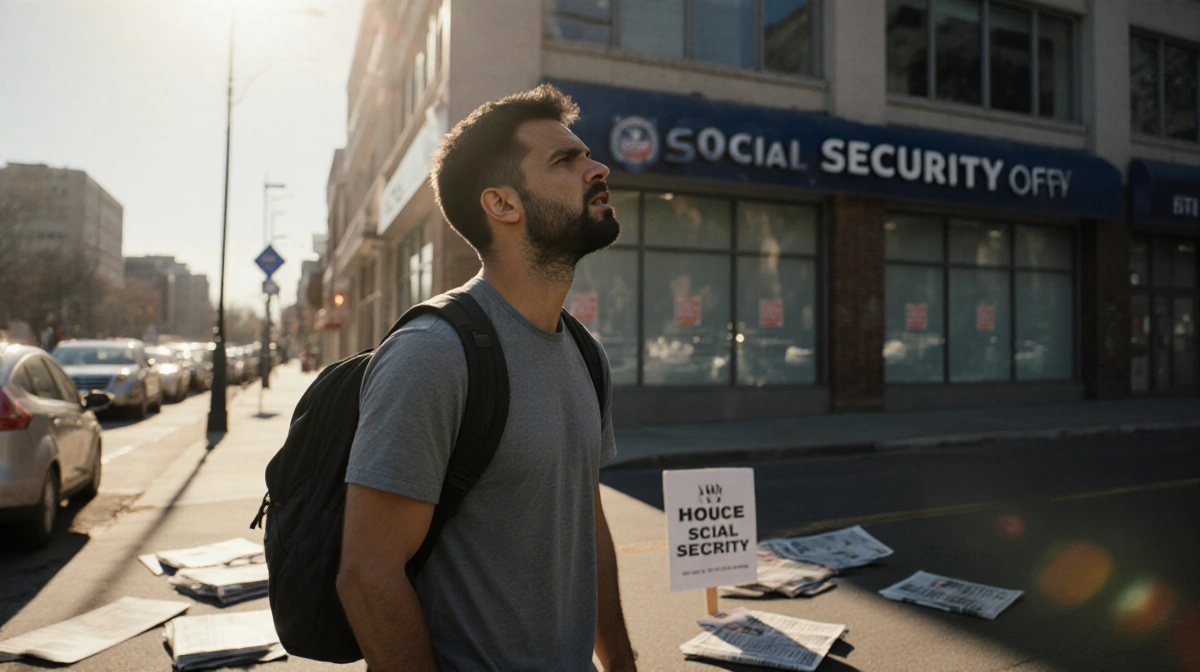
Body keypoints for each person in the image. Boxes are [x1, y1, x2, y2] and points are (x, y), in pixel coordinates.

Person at [336, 85, 637, 671]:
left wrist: (622, 663)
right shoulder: (432, 355)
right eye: (564, 160)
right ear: (503, 204)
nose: (597, 167)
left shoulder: (585, 351)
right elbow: (367, 577)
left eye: (586, 154)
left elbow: (586, 525)